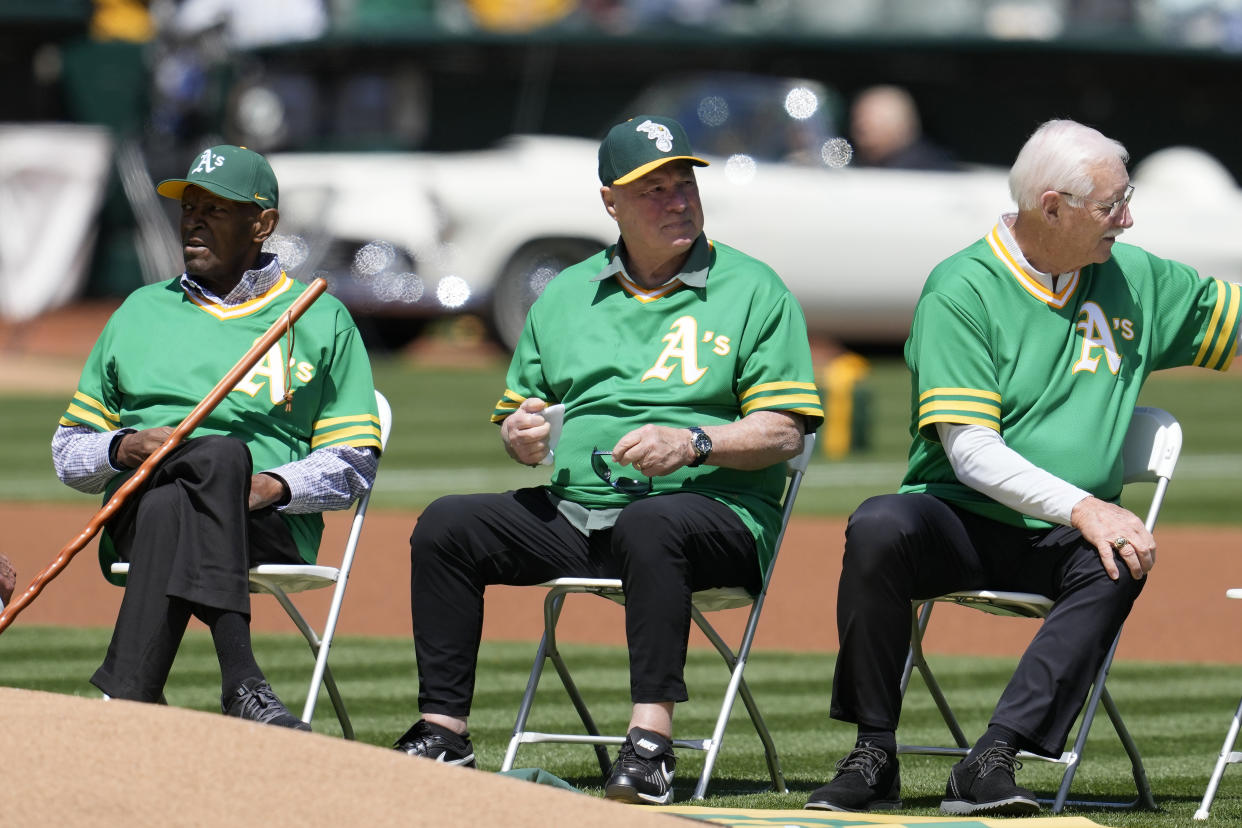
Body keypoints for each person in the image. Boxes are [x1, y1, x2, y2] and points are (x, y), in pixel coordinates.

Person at [806, 118, 1241, 816]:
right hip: (962, 521)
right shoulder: (963, 288)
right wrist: (1086, 507)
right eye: (1112, 205)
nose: (1127, 220)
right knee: (880, 523)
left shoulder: (1140, 279)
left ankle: (995, 756)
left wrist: (1091, 517)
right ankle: (872, 751)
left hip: (1063, 543)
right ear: (1052, 207)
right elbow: (971, 451)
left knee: (1120, 552)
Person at [391, 115, 823, 804]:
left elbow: (784, 432)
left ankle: (650, 745)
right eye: (653, 190)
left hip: (717, 519)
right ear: (609, 203)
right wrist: (522, 437)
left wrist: (693, 442)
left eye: (684, 184)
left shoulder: (752, 289)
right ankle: (443, 732)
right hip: (579, 514)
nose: (677, 200)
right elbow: (520, 414)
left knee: (651, 525)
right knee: (448, 525)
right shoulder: (565, 295)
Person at [52, 144, 381, 730]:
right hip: (133, 511)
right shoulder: (139, 311)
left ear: (263, 224)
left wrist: (271, 485)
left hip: (267, 524)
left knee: (195, 482)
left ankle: (130, 699)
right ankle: (243, 683)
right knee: (203, 470)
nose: (194, 220)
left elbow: (355, 460)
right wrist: (121, 447)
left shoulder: (318, 317)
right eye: (189, 207)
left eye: (216, 209)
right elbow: (68, 452)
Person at [848, 85, 955, 171]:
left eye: (869, 120)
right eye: (857, 119)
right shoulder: (859, 164)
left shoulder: (929, 170)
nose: (860, 127)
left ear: (899, 125)